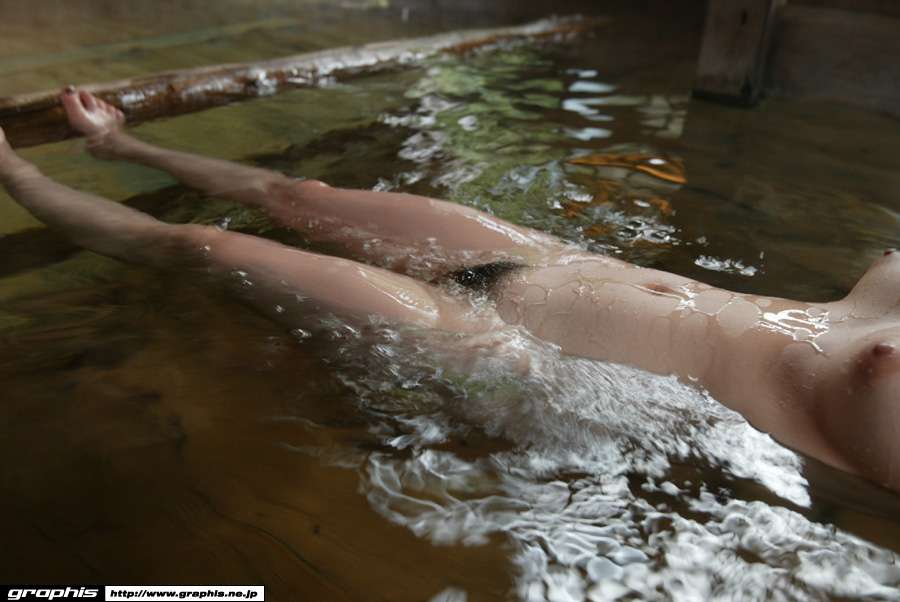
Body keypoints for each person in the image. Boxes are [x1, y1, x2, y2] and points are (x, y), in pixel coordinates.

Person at [1, 88, 898, 492]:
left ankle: (18, 177)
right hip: (571, 268)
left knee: (205, 247)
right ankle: (119, 145)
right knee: (297, 196)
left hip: (504, 344)